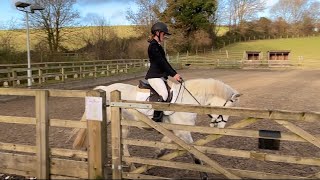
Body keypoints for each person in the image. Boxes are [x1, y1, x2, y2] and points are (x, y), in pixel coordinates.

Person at [145, 22, 182, 122]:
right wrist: (174, 74)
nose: (164, 36)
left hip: (160, 76)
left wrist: (174, 73)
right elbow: (161, 62)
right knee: (164, 94)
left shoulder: (158, 46)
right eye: (163, 34)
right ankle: (156, 119)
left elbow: (165, 62)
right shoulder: (153, 46)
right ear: (157, 32)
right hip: (154, 76)